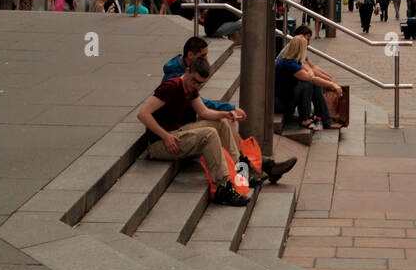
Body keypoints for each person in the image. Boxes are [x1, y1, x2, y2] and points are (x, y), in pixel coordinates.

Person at [161, 36, 297, 182]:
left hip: (187, 121)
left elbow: (200, 105)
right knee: (221, 125)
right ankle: (255, 167)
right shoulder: (176, 79)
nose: (207, 60)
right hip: (179, 129)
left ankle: (257, 165)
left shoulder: (188, 74)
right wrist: (164, 135)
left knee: (226, 122)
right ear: (190, 56)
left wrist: (227, 111)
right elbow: (145, 114)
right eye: (203, 56)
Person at [137, 56, 250, 206]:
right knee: (209, 134)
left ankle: (240, 170)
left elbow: (204, 112)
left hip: (177, 133)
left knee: (221, 123)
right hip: (159, 144)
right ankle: (222, 187)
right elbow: (143, 114)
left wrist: (225, 114)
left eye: (200, 83)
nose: (196, 85)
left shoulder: (190, 88)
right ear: (188, 71)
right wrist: (165, 136)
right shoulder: (171, 86)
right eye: (194, 81)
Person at [275, 35, 342, 130]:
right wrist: (332, 84)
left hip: (286, 99)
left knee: (312, 83)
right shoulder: (289, 64)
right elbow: (311, 78)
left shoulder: (293, 61)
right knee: (307, 84)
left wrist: (328, 80)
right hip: (280, 104)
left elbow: (311, 72)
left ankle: (325, 119)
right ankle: (305, 119)